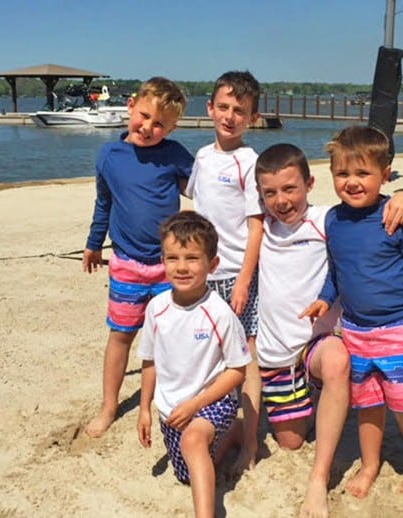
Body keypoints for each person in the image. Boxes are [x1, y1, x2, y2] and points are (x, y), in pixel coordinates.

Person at [254, 143, 403, 517]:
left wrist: (402, 196)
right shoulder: (259, 228)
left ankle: (318, 478)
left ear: (310, 184)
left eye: (290, 188)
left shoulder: (328, 220)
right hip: (276, 357)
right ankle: (317, 400)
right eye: (271, 192)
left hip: (315, 346)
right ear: (261, 196)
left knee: (338, 361)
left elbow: (369, 210)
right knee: (292, 442)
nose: (281, 200)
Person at [302, 126, 403, 497]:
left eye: (363, 173)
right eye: (343, 173)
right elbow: (336, 269)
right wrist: (324, 299)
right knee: (369, 404)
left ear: (385, 173)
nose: (352, 182)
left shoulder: (397, 215)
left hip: (401, 330)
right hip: (357, 333)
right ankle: (370, 463)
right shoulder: (333, 219)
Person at [83, 77, 194, 438]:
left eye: (160, 124)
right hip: (128, 264)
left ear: (173, 127)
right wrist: (93, 242)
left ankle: (166, 400)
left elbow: (206, 192)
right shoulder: (109, 156)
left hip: (170, 267)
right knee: (121, 335)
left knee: (171, 336)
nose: (148, 127)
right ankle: (109, 406)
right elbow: (104, 203)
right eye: (144, 116)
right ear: (131, 105)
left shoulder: (175, 154)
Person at [137, 211, 252, 518]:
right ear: (162, 261)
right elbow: (149, 362)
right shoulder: (156, 309)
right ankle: (233, 435)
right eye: (172, 258)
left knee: (193, 440)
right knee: (187, 473)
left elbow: (237, 371)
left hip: (213, 399)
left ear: (212, 265)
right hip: (172, 407)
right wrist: (145, 408)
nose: (182, 267)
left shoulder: (219, 313)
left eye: (192, 258)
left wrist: (196, 403)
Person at [185, 70, 263, 471]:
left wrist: (245, 280)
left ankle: (250, 440)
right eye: (225, 107)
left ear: (252, 117)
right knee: (210, 357)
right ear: (210, 108)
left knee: (245, 359)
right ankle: (218, 425)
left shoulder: (249, 161)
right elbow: (195, 207)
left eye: (240, 111)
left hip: (236, 276)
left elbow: (256, 225)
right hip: (205, 276)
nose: (230, 116)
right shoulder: (201, 156)